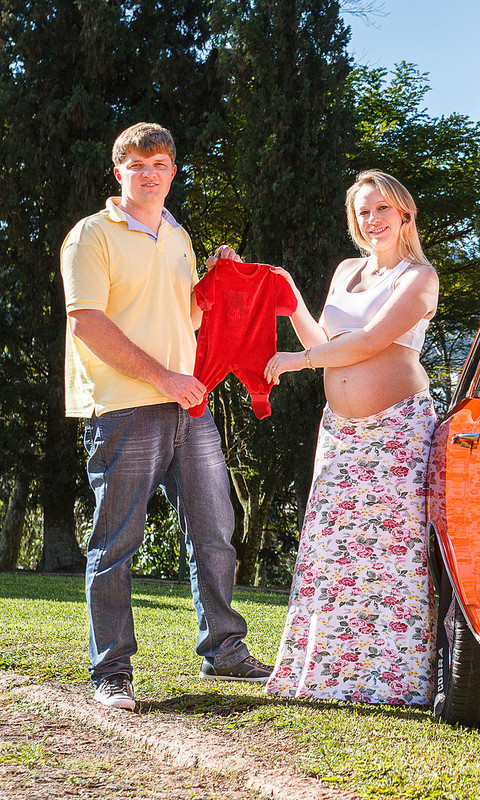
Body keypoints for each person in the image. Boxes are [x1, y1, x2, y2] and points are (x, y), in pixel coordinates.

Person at [61, 122, 273, 712]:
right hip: (123, 407)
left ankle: (224, 650)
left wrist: (217, 277)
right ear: (118, 172)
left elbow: (189, 319)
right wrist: (166, 379)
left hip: (188, 405)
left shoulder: (179, 237)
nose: (149, 174)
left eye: (159, 164)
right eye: (137, 165)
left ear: (172, 172)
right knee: (117, 540)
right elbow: (89, 324)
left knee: (215, 529)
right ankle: (112, 672)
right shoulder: (92, 236)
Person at [261, 169, 440, 705]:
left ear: (404, 212)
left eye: (383, 207)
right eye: (363, 211)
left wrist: (299, 361)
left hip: (396, 432)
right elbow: (326, 339)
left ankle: (395, 682)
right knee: (333, 549)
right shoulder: (346, 271)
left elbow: (367, 342)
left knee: (392, 554)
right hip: (339, 432)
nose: (372, 219)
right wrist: (289, 296)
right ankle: (328, 674)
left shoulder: (419, 277)